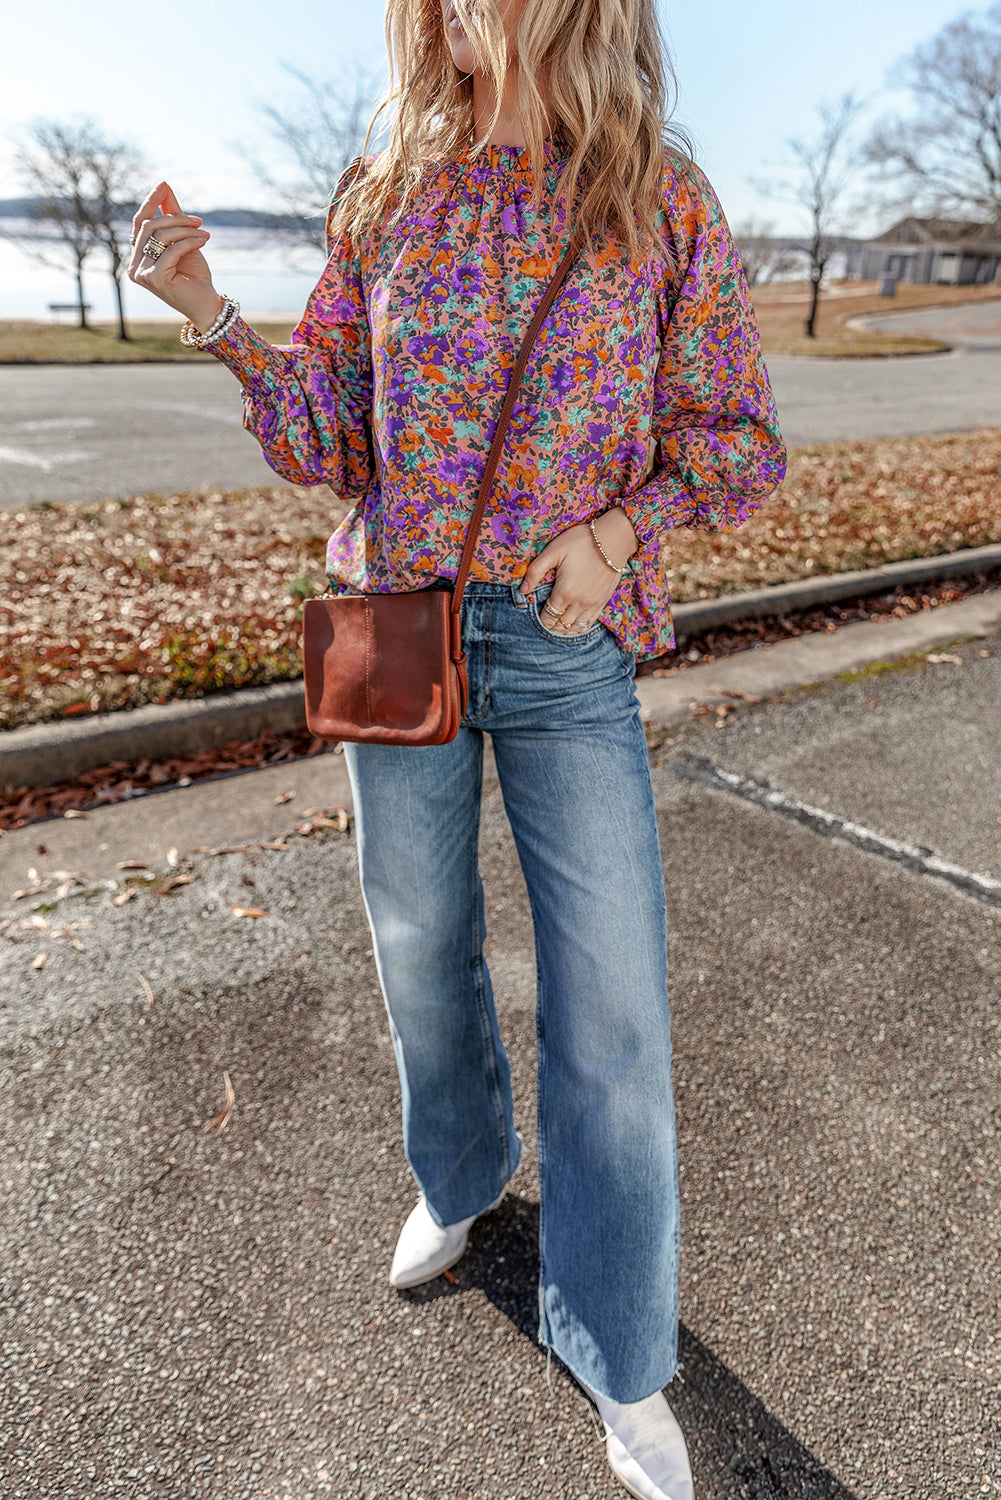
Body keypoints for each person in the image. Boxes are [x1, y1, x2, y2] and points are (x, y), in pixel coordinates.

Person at [129, 1, 785, 1493]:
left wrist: (617, 535)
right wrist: (209, 312)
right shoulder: (387, 193)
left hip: (566, 651)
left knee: (611, 1015)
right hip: (399, 629)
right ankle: (460, 1178)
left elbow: (735, 439)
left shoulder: (654, 195)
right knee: (418, 947)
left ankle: (619, 1349)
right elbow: (328, 438)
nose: (454, 13)